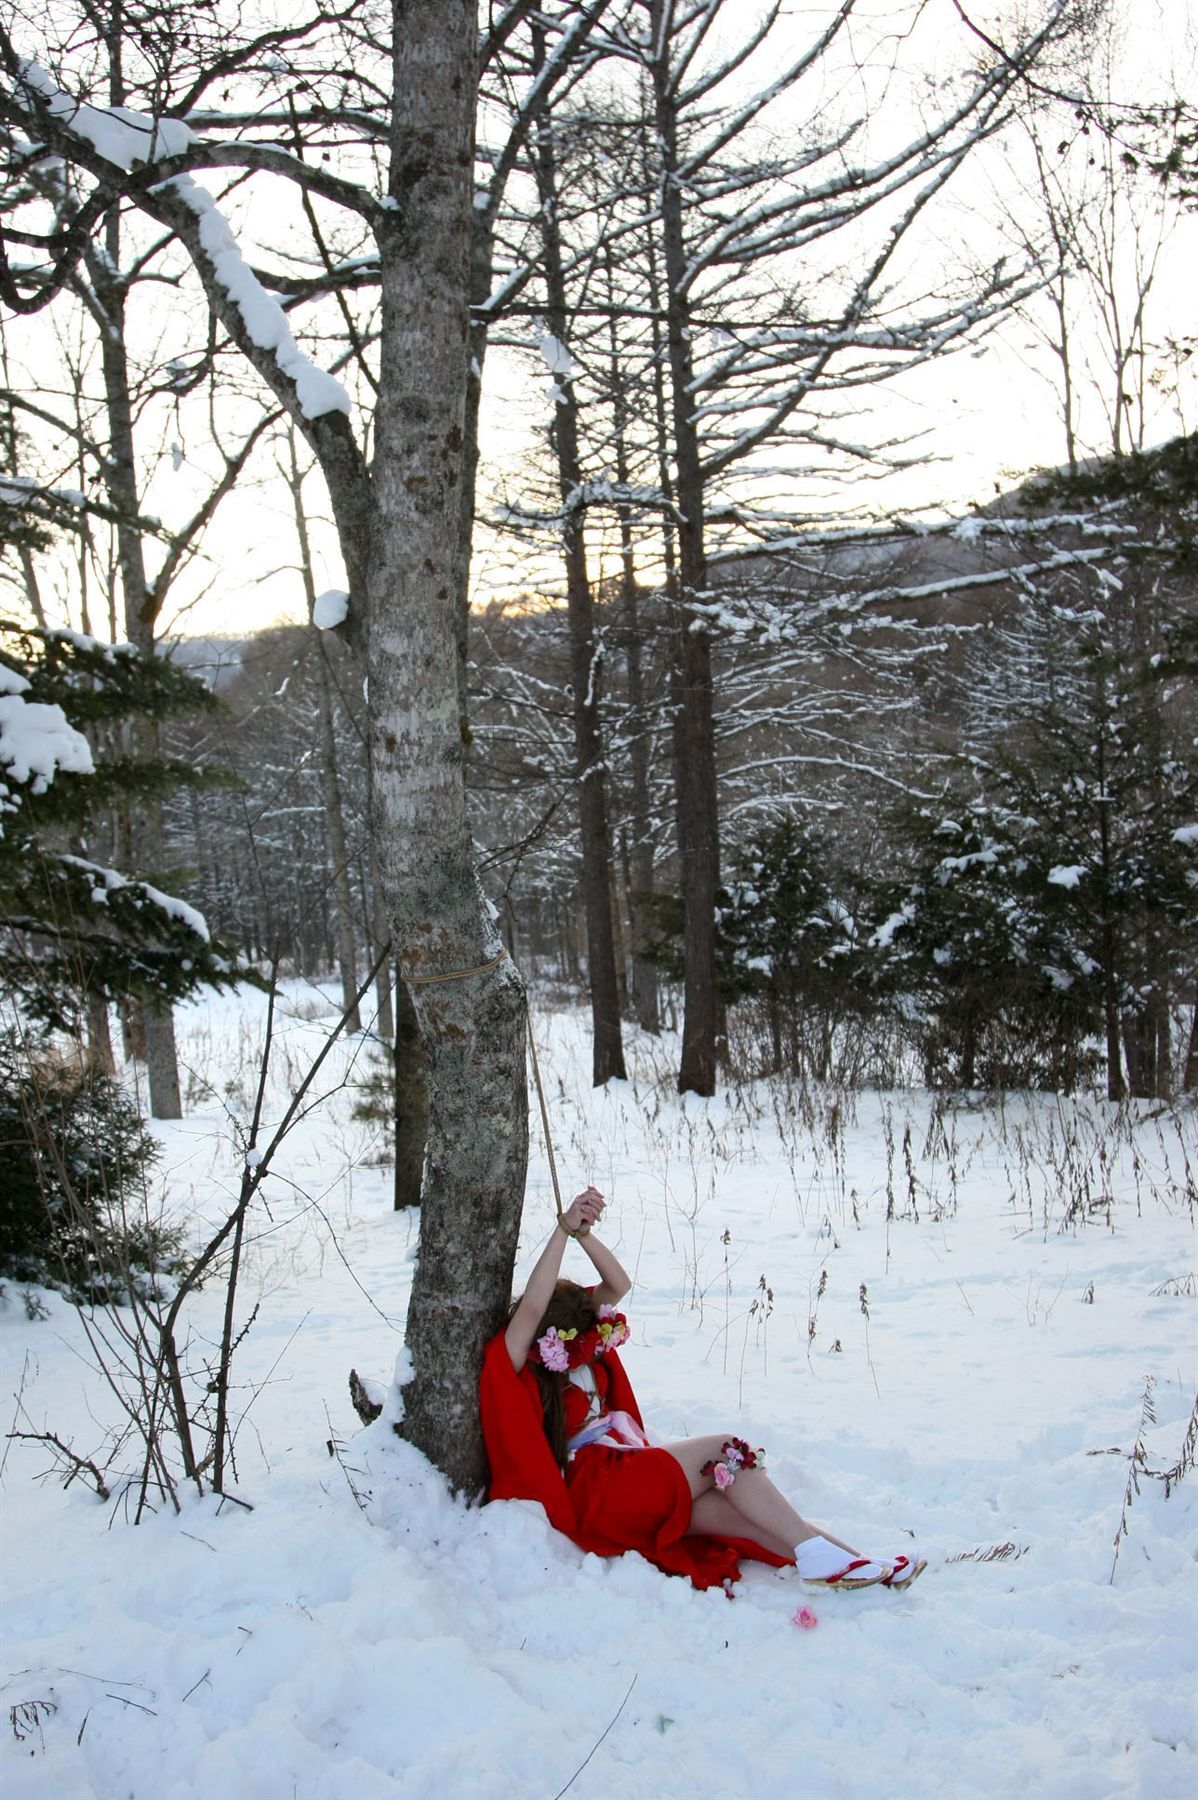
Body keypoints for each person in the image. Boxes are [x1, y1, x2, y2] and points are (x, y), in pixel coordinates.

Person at [479, 1186, 926, 1594]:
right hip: (601, 1487)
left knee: (745, 1518)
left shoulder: (585, 1349)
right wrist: (559, 1232)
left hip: (627, 1476)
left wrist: (583, 1235)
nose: (590, 1332)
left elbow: (619, 1284)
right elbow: (535, 1304)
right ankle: (821, 1556)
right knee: (728, 1451)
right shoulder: (527, 1359)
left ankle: (858, 1564)